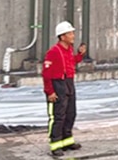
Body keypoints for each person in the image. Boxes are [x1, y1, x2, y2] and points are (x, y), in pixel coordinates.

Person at [43, 21, 87, 157]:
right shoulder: (53, 52)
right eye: (70, 33)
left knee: (70, 113)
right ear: (62, 37)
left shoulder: (68, 50)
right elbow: (46, 73)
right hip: (58, 84)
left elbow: (71, 62)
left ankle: (67, 140)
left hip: (68, 82)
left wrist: (80, 55)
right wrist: (50, 91)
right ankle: (55, 144)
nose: (73, 35)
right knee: (58, 116)